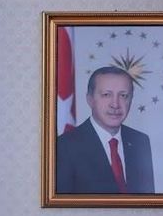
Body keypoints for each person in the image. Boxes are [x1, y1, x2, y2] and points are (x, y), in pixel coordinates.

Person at [55, 66, 155, 194]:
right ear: (90, 99)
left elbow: (147, 201)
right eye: (106, 95)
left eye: (123, 95)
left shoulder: (140, 141)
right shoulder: (64, 146)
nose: (115, 104)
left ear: (131, 100)